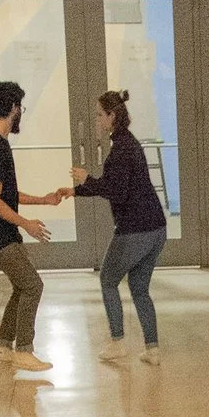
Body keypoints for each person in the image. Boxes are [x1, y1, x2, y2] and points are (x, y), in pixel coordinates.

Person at [68, 89, 166, 367]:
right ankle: (153, 349)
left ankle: (117, 341)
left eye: (100, 114)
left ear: (112, 116)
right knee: (139, 287)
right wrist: (75, 190)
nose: (97, 119)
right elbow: (112, 184)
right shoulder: (127, 143)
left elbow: (116, 191)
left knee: (108, 280)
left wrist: (86, 178)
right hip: (156, 228)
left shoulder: (122, 148)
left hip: (134, 229)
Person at [0, 81, 61, 375]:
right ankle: (24, 350)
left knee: (21, 287)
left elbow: (7, 194)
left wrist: (44, 201)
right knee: (33, 285)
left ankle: (2, 346)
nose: (20, 113)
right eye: (20, 108)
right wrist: (27, 224)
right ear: (13, 108)